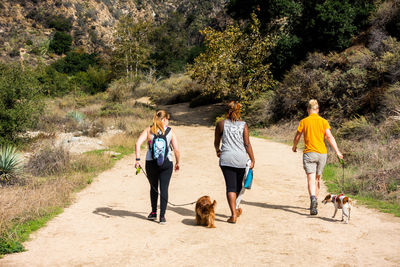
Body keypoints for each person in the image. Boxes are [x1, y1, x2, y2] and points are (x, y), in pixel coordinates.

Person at [292, 99, 343, 215]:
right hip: (322, 154)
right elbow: (330, 137)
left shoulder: (304, 121)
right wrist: (338, 151)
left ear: (308, 110)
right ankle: (315, 203)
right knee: (317, 179)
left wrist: (294, 147)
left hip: (309, 153)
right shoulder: (324, 121)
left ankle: (313, 200)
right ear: (318, 110)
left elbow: (297, 136)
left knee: (310, 178)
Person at [135, 110, 180, 224]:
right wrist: (177, 162)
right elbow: (176, 150)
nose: (169, 122)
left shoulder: (149, 130)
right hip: (166, 162)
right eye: (168, 119)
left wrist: (138, 159)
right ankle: (162, 216)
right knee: (164, 189)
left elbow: (138, 143)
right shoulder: (170, 131)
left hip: (151, 162)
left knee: (153, 187)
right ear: (164, 119)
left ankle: (153, 212)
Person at [214, 101, 255, 223]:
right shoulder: (244, 125)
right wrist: (253, 159)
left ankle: (234, 214)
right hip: (241, 159)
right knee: (238, 186)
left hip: (226, 158)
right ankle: (235, 210)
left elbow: (216, 141)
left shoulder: (221, 124)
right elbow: (247, 144)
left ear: (227, 111)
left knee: (231, 187)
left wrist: (218, 151)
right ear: (239, 111)